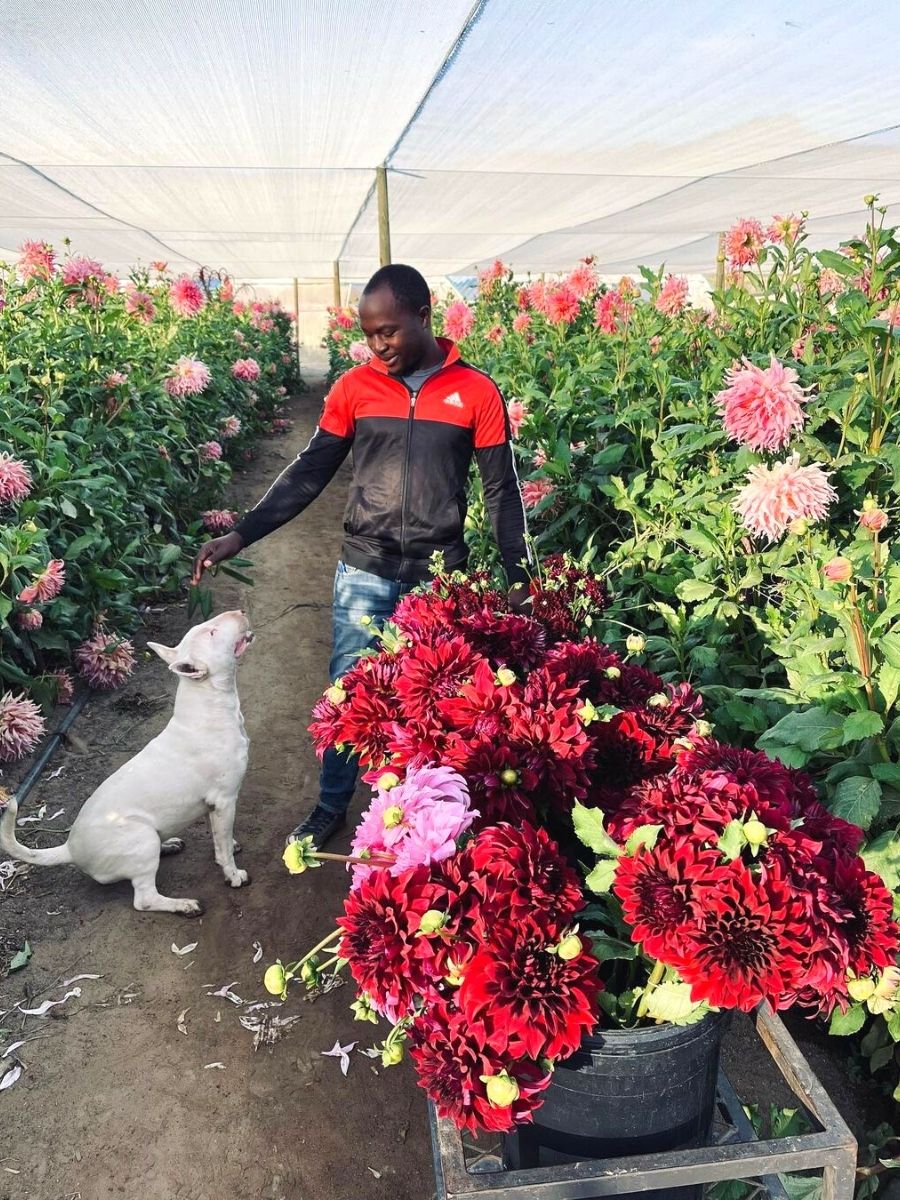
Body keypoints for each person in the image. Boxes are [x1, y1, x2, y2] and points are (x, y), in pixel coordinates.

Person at [191, 263, 532, 848]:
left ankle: (422, 819)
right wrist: (240, 535)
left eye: (389, 331)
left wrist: (519, 575)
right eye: (370, 333)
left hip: (439, 575)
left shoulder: (475, 391)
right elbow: (309, 473)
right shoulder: (355, 388)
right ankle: (330, 806)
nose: (378, 345)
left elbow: (502, 490)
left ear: (424, 317)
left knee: (433, 700)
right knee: (347, 692)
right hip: (364, 569)